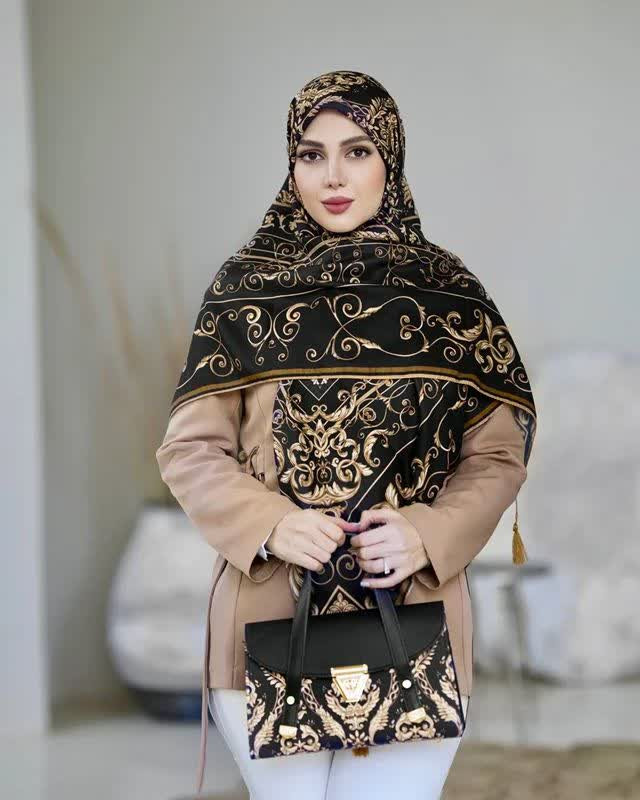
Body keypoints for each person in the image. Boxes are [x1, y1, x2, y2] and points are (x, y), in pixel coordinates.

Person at [156, 69, 537, 800]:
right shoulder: (243, 290)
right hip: (267, 616)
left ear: (390, 160)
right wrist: (271, 523)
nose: (332, 176)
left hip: (416, 612)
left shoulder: (449, 296)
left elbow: (495, 455)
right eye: (312, 154)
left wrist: (428, 532)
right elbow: (190, 449)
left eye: (357, 151)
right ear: (291, 165)